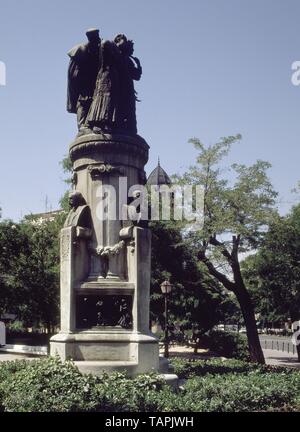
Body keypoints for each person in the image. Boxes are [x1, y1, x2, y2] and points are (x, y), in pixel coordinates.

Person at [67, 29, 102, 132]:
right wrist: (80, 81)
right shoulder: (80, 50)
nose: (98, 40)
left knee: (92, 100)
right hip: (82, 82)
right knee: (83, 101)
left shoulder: (97, 49)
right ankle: (82, 126)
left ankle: (91, 122)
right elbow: (73, 72)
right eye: (95, 38)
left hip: (94, 81)